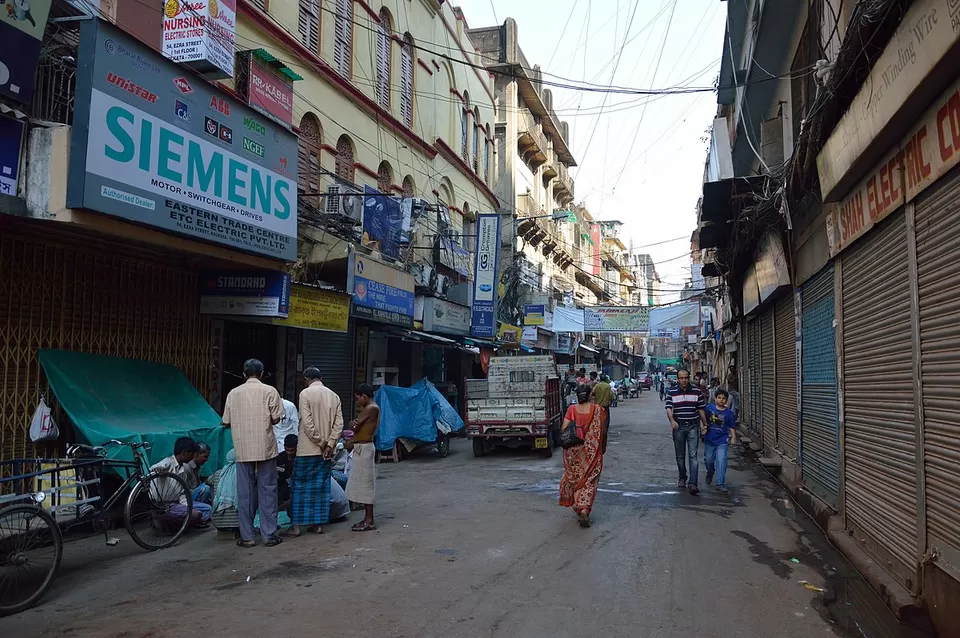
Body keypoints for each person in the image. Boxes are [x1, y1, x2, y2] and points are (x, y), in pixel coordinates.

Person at [221, 358, 285, 548]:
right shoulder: (269, 391)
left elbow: (225, 421)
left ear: (243, 374)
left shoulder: (233, 394)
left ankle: (247, 537)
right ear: (263, 373)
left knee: (245, 493)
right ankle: (269, 535)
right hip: (265, 446)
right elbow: (276, 420)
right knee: (268, 490)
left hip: (242, 448)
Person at [287, 366, 344, 537]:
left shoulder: (305, 394)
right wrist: (330, 444)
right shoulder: (334, 396)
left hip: (307, 449)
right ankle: (317, 524)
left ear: (306, 379)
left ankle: (296, 526)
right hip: (326, 452)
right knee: (320, 487)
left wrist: (320, 442)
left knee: (299, 488)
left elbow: (307, 423)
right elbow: (339, 424)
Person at [559, 384, 606, 528]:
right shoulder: (598, 410)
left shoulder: (572, 410)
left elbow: (564, 429)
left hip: (573, 452)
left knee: (575, 479)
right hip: (590, 453)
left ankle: (577, 505)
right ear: (590, 394)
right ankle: (584, 508)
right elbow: (602, 432)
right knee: (589, 481)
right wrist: (602, 447)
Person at [151, 437, 212, 527]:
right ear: (184, 453)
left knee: (208, 509)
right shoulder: (168, 462)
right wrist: (159, 468)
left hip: (178, 503)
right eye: (191, 454)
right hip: (164, 505)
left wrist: (187, 506)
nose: (192, 457)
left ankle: (184, 521)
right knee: (196, 514)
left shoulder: (183, 468)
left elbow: (182, 493)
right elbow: (158, 466)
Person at [665, 369, 708, 495]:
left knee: (693, 456)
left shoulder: (696, 391)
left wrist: (705, 424)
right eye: (681, 378)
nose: (683, 380)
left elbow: (701, 409)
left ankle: (693, 483)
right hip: (678, 428)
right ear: (678, 379)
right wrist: (672, 421)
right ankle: (682, 477)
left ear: (688, 378)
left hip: (693, 427)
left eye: (685, 378)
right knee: (680, 457)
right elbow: (668, 408)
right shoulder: (671, 391)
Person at [345, 383, 380, 532]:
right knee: (363, 484)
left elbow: (354, 426)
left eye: (358, 398)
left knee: (366, 485)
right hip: (361, 447)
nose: (357, 401)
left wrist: (352, 423)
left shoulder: (371, 408)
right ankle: (368, 518)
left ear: (364, 396)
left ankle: (369, 519)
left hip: (364, 448)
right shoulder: (372, 408)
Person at [704, 389, 738, 493]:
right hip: (709, 440)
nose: (721, 400)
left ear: (726, 400)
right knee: (708, 461)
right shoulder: (709, 408)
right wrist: (703, 427)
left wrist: (733, 437)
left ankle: (720, 483)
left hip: (722, 441)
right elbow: (703, 419)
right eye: (719, 398)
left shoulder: (728, 413)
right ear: (715, 398)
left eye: (724, 398)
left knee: (722, 460)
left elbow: (732, 426)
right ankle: (710, 472)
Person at [207, 449, 239, 538]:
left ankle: (216, 508)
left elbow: (207, 481)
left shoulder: (219, 473)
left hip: (218, 523)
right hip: (239, 523)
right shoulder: (243, 474)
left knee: (212, 486)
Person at [276, 434, 298, 522]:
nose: (289, 453)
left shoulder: (300, 459)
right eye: (287, 450)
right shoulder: (280, 458)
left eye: (292, 450)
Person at [591, 374, 614, 452]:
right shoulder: (608, 386)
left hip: (598, 406)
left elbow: (592, 393)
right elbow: (611, 396)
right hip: (605, 407)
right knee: (606, 422)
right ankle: (604, 435)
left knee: (597, 420)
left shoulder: (597, 386)